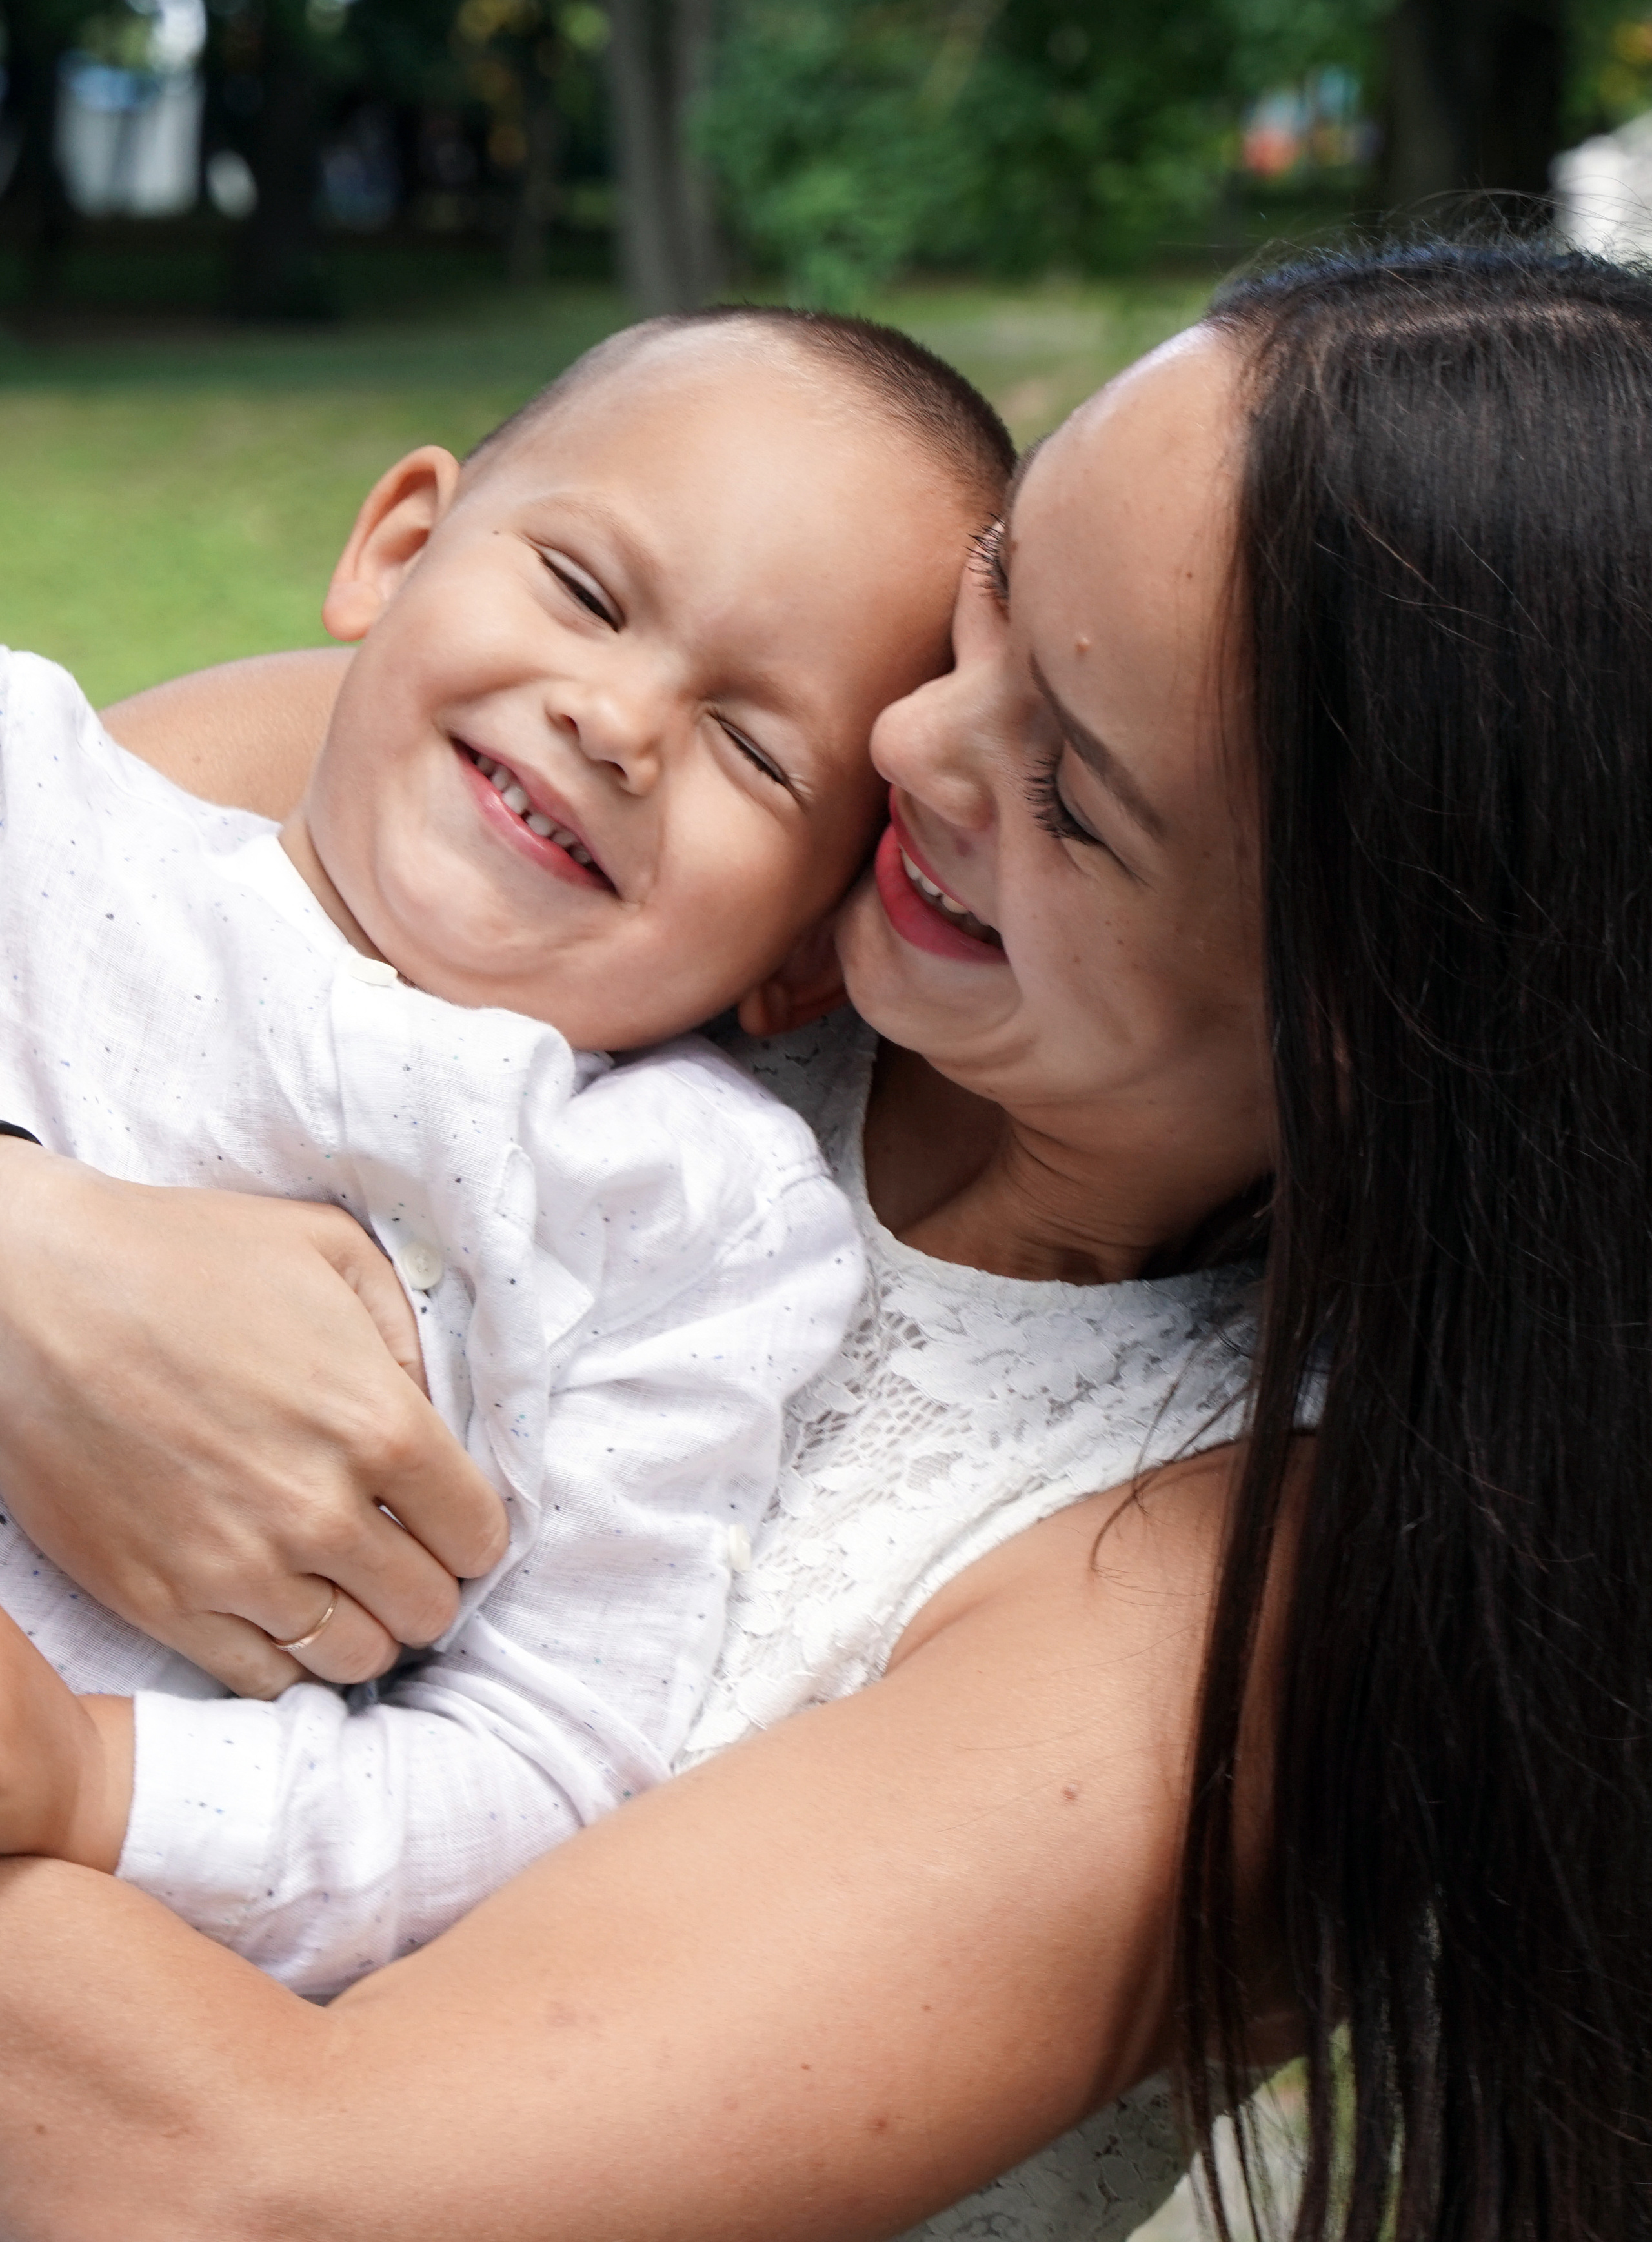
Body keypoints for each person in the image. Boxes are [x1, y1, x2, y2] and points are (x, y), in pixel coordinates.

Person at [0, 239, 1642, 2242]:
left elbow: (264, 2186)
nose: (909, 745)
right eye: (999, 596)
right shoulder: (566, 792)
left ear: (1357, 1032)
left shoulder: (1201, 1606)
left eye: (1071, 795)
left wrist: (80, 1766)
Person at [0, 306, 1011, 1996]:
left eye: (756, 750)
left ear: (801, 957)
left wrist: (97, 1779)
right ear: (397, 549)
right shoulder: (33, 803)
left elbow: (542, 1759)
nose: (618, 721)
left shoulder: (685, 1219)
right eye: (588, 594)